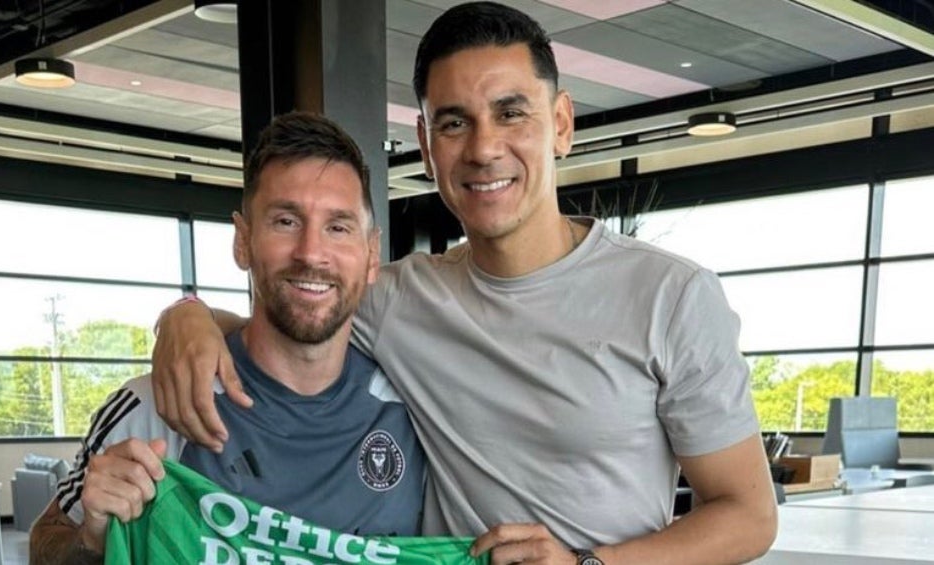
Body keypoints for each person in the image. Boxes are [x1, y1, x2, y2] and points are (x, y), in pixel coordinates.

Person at [151, 3, 779, 564]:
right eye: (454, 123)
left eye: (511, 113)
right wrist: (185, 316)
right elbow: (297, 316)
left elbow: (749, 516)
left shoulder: (671, 296)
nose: (483, 149)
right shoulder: (400, 298)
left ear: (561, 124)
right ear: (427, 149)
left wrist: (589, 564)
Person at [28, 112, 426, 564]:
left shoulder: (415, 408)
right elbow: (44, 547)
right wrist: (93, 538)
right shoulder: (154, 406)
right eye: (285, 221)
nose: (311, 253)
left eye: (338, 227)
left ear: (371, 254)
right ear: (243, 240)